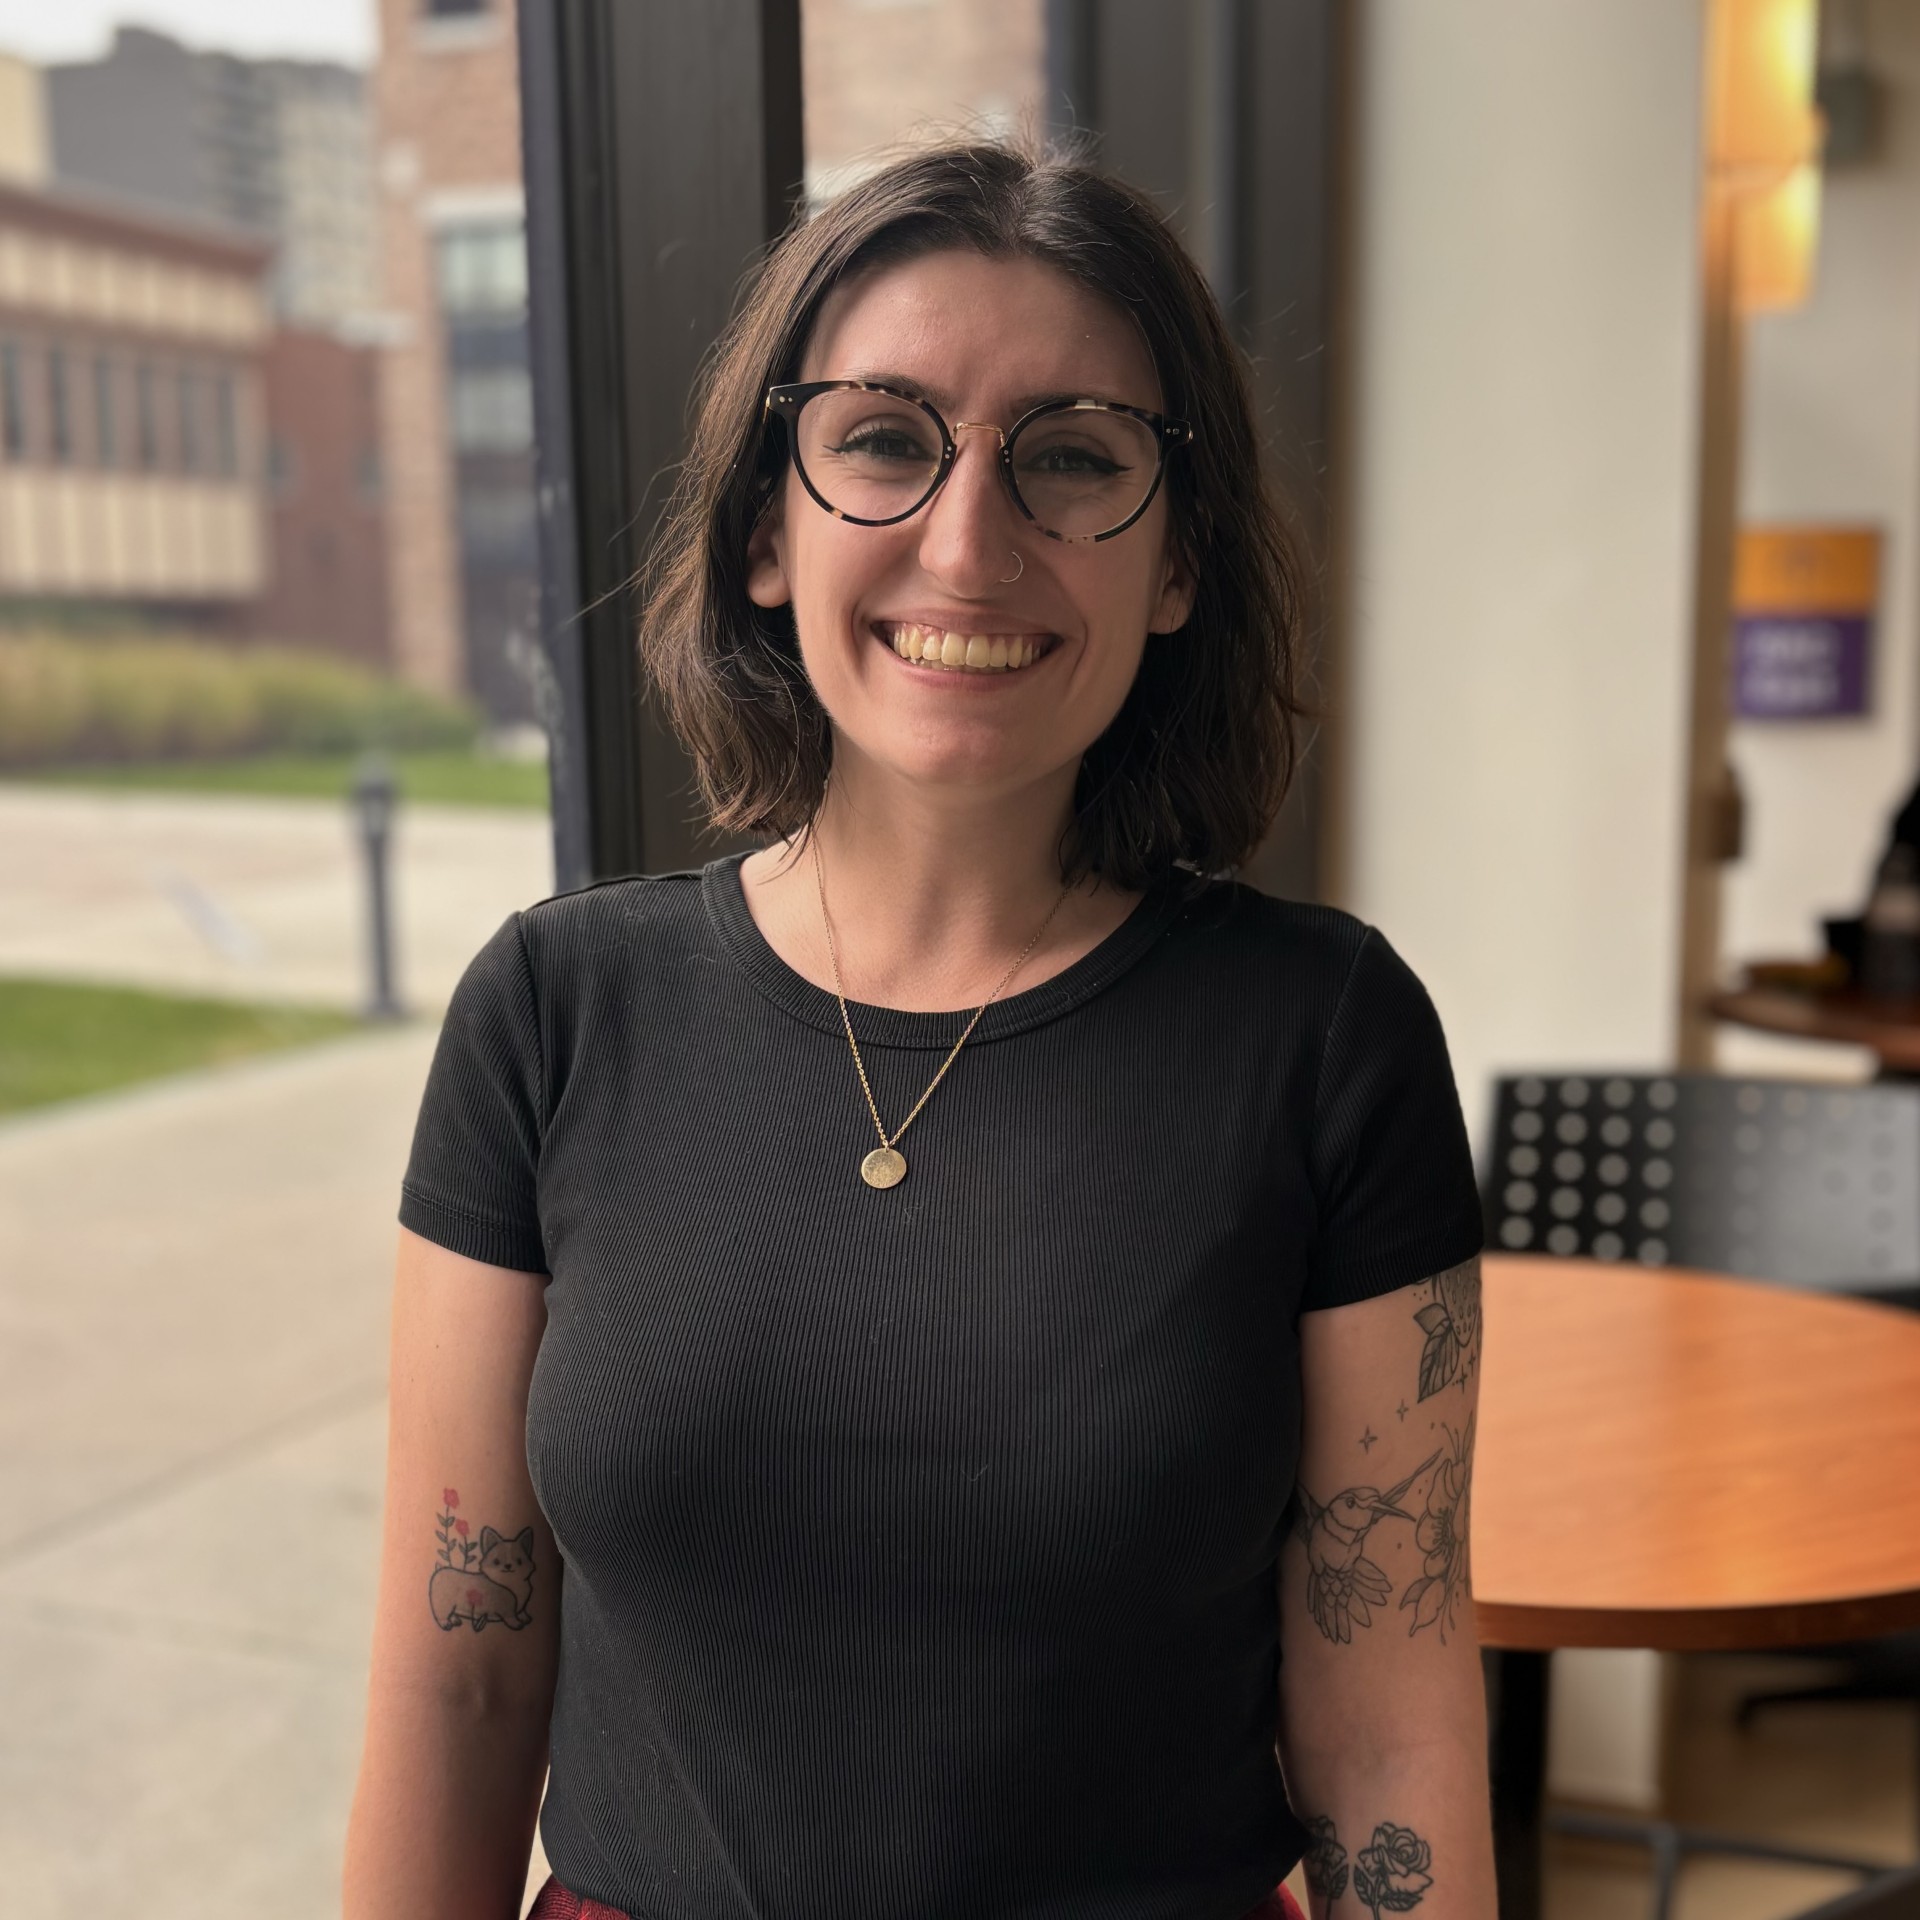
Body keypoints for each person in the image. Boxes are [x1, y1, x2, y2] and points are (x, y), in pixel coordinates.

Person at [344, 139, 1494, 1920]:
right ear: (760, 532)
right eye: (884, 439)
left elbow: (1391, 1719)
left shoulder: (1325, 1036)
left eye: (1075, 461)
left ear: (1175, 562)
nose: (971, 543)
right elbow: (460, 1675)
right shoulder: (554, 1014)